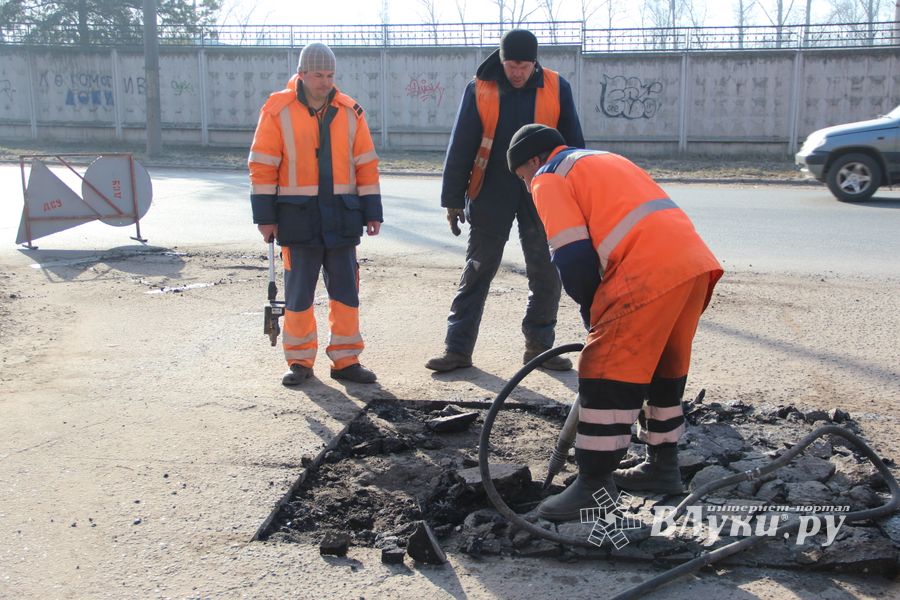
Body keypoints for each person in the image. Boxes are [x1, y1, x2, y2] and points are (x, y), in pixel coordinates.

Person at [506, 124, 724, 521]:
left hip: (644, 272)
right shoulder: (602, 159)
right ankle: (663, 467)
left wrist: (594, 309)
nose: (526, 184)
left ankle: (592, 485)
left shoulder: (549, 175)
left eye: (522, 176)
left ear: (533, 161)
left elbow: (571, 256)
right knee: (662, 370)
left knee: (608, 372)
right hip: (692, 265)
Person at [425, 29, 585, 374]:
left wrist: (578, 195)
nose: (517, 73)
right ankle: (457, 349)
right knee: (478, 270)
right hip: (491, 190)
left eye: (524, 66)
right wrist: (453, 199)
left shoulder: (558, 88)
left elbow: (574, 145)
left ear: (535, 62)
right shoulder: (480, 89)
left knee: (546, 271)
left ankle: (539, 348)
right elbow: (462, 145)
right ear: (501, 59)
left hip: (542, 190)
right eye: (512, 65)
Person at [248, 42, 382, 386]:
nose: (325, 82)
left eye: (330, 75)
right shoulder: (277, 110)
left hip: (342, 217)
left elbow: (366, 163)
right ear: (302, 74)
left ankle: (346, 360)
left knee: (345, 293)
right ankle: (300, 362)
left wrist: (372, 211)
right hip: (297, 219)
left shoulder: (350, 111)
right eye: (319, 75)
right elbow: (262, 166)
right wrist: (265, 218)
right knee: (298, 295)